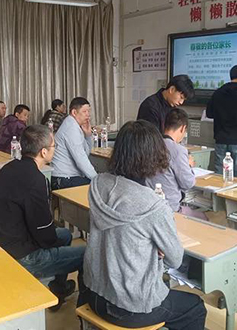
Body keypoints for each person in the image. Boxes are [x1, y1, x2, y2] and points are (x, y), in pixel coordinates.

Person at [83, 120, 207, 329]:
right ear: (155, 156)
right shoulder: (153, 205)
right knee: (195, 307)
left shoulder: (98, 184)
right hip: (130, 306)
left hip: (94, 293)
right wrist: (156, 250)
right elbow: (175, 259)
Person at [0, 125, 85, 311]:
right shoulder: (36, 179)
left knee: (65, 235)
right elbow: (43, 231)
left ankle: (59, 289)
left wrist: (53, 240)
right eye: (54, 146)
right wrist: (51, 243)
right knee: (87, 254)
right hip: (21, 255)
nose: (55, 149)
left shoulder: (10, 167)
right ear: (44, 152)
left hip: (1, 242)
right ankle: (83, 310)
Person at [145, 108, 195, 213]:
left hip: (149, 203)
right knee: (206, 217)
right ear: (183, 128)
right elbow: (188, 183)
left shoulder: (149, 144)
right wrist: (189, 165)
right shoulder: (178, 150)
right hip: (171, 208)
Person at [51, 97, 97, 190]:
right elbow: (81, 160)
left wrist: (88, 135)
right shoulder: (71, 128)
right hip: (63, 178)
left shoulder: (74, 125)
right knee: (97, 188)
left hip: (68, 177)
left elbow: (85, 153)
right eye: (84, 111)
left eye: (89, 111)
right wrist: (97, 180)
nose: (88, 115)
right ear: (74, 112)